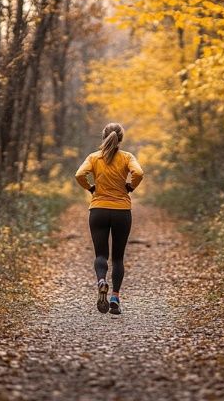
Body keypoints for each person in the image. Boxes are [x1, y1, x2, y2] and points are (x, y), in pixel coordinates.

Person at [75, 122, 144, 315]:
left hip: (98, 210)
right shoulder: (127, 157)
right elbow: (138, 173)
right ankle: (114, 297)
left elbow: (79, 174)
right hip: (122, 211)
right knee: (118, 257)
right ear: (120, 138)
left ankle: (101, 281)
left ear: (103, 136)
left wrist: (91, 188)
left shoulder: (94, 157)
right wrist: (130, 187)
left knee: (100, 255)